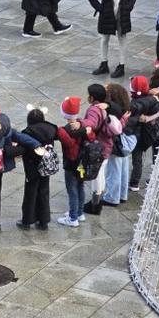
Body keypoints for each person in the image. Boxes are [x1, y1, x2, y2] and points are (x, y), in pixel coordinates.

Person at [70, 84, 118, 215]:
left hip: (98, 148)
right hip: (107, 146)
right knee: (101, 174)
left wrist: (80, 123)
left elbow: (92, 122)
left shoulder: (94, 110)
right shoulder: (104, 107)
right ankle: (98, 202)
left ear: (92, 97)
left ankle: (95, 205)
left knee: (96, 176)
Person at [88, 0, 137, 79]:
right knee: (104, 39)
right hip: (108, 13)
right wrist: (101, 9)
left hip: (122, 12)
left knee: (122, 39)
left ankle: (121, 66)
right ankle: (104, 64)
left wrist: (128, 7)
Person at [14, 107, 58, 230]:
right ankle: (43, 221)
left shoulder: (27, 132)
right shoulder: (51, 129)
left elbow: (22, 148)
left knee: (30, 193)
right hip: (46, 165)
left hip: (32, 167)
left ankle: (27, 220)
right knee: (44, 192)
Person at [56, 97, 87, 227]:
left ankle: (73, 218)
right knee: (80, 187)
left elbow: (68, 143)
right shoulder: (83, 124)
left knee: (72, 190)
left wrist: (60, 131)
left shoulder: (64, 130)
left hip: (71, 164)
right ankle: (80, 213)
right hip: (83, 162)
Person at [102, 83, 133, 207]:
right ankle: (122, 195)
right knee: (123, 169)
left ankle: (112, 197)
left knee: (113, 171)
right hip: (124, 143)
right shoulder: (126, 108)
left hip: (115, 144)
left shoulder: (111, 112)